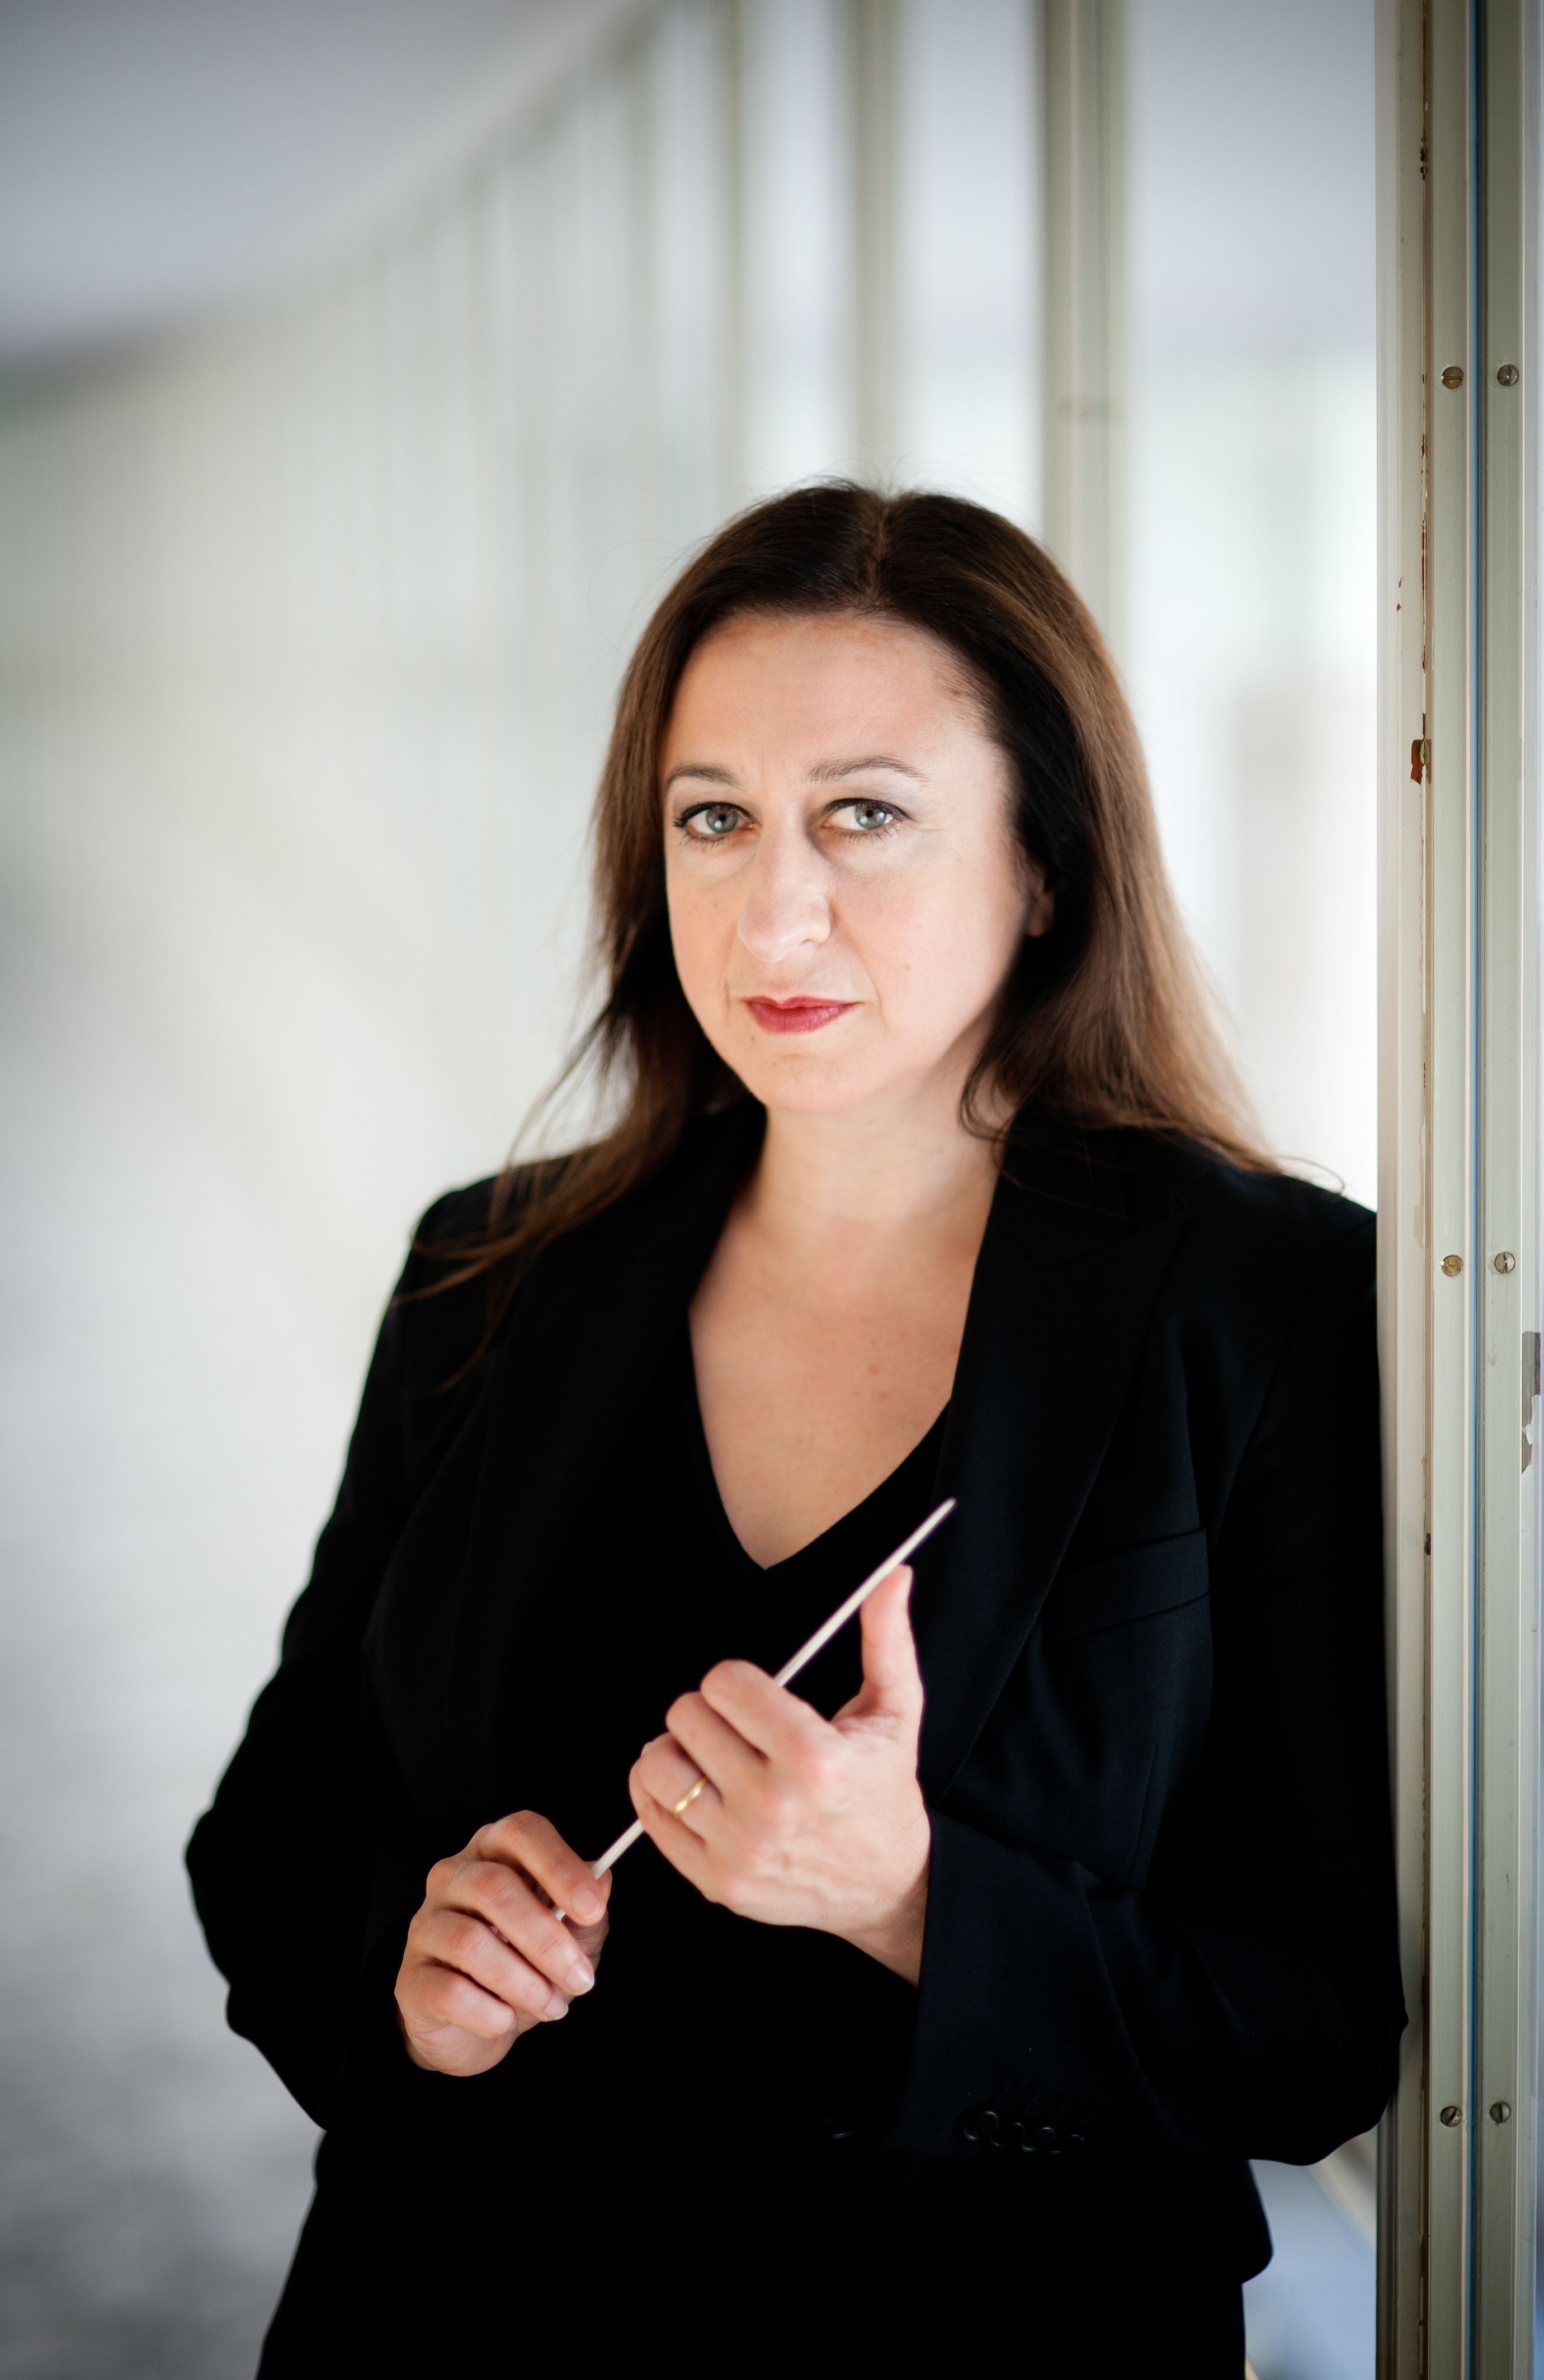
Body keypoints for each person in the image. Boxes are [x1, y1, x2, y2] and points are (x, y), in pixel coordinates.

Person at [187, 484, 1403, 2377]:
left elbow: (1317, 2029)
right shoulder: (486, 1270)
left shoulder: (1271, 1307)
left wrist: (916, 1903)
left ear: (1047, 863)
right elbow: (273, 1834)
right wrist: (407, 1980)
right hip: (465, 2310)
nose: (775, 907)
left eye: (866, 815)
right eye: (715, 818)